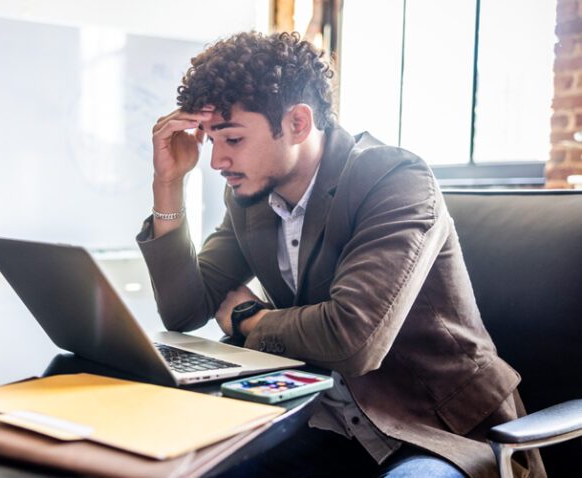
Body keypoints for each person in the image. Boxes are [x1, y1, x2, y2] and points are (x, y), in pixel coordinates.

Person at [136, 31, 543, 477]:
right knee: (184, 467)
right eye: (211, 140)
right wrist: (169, 184)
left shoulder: (394, 179)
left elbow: (353, 339)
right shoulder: (252, 198)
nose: (216, 162)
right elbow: (183, 310)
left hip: (436, 431)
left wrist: (247, 318)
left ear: (297, 123)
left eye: (231, 139)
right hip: (321, 420)